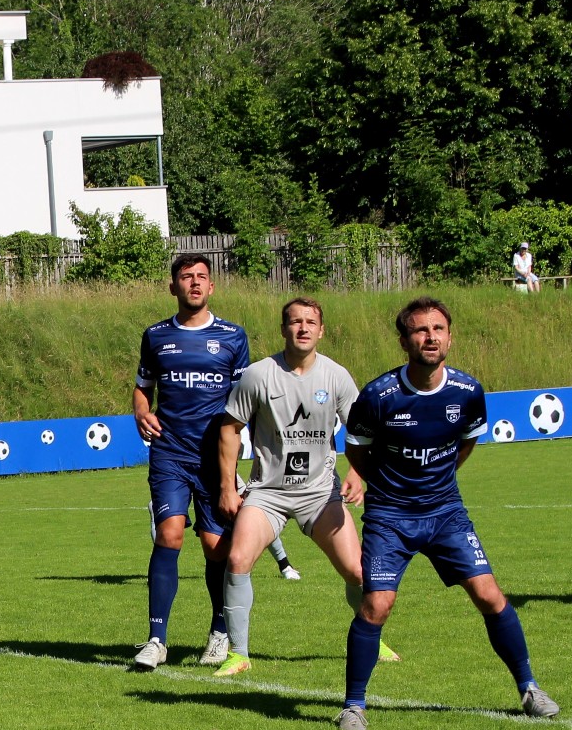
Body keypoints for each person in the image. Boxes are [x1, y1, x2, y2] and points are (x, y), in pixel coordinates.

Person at [340, 297, 557, 730]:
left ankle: (530, 688)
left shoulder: (468, 391)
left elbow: (466, 442)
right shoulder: (378, 395)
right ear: (404, 341)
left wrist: (438, 481)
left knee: (489, 595)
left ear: (450, 337)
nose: (430, 337)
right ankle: (353, 706)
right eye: (420, 330)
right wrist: (387, 487)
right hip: (390, 518)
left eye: (438, 329)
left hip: (445, 513)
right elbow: (356, 449)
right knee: (377, 604)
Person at [212, 298, 399, 678]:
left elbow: (363, 430)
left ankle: (371, 638)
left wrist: (357, 473)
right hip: (269, 492)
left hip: (320, 492)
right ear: (283, 329)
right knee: (238, 559)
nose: (303, 328)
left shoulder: (336, 376)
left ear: (321, 330)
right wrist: (228, 488)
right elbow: (229, 428)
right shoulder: (259, 375)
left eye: (310, 322)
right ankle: (238, 654)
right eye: (295, 322)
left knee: (358, 571)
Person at [131, 254, 251, 669]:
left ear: (211, 286)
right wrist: (141, 412)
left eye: (202, 277)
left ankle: (219, 632)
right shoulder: (156, 335)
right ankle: (156, 640)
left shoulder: (233, 336)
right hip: (170, 452)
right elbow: (143, 387)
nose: (195, 283)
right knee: (169, 535)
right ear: (174, 287)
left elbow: (245, 400)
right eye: (187, 277)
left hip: (216, 457)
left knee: (216, 548)